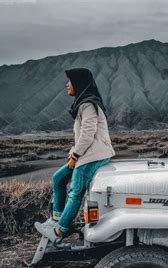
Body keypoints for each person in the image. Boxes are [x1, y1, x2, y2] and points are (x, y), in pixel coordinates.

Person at [35, 68, 115, 241]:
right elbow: (83, 136)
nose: (67, 85)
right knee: (58, 178)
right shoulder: (84, 103)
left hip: (94, 155)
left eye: (70, 81)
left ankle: (60, 231)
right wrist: (74, 153)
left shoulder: (88, 105)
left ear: (78, 83)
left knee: (75, 191)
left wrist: (75, 156)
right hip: (87, 153)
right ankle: (56, 219)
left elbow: (87, 134)